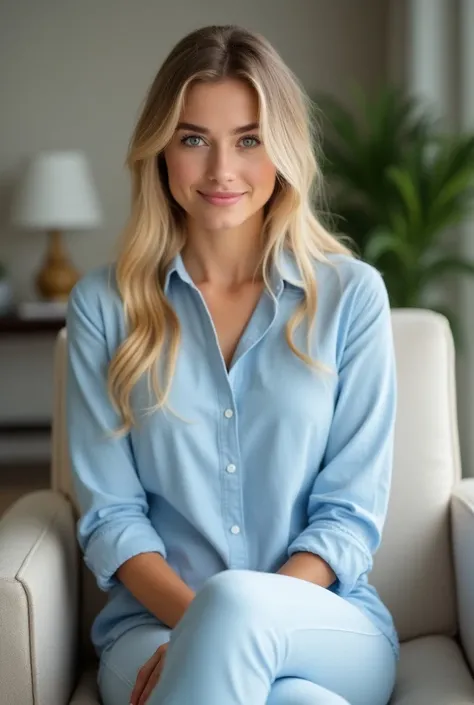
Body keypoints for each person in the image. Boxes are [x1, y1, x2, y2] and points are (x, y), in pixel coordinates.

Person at [66, 24, 399, 705]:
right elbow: (112, 518)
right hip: (152, 630)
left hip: (327, 624)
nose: (222, 170)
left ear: (283, 150)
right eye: (194, 138)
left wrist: (231, 622)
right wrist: (207, 627)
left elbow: (348, 518)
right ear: (162, 150)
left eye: (249, 139)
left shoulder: (351, 297)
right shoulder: (105, 306)